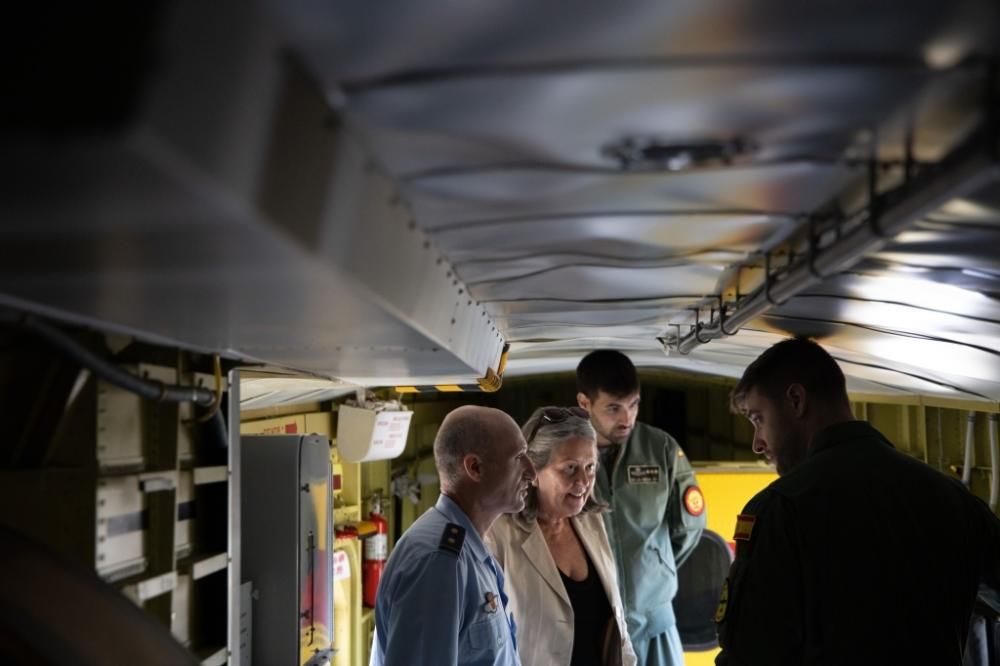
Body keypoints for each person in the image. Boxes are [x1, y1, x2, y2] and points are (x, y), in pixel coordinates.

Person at [716, 337, 1000, 665]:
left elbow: (750, 653)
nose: (757, 443)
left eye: (757, 419)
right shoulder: (951, 497)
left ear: (796, 400)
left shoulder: (781, 509)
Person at [369, 405, 537, 666]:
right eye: (518, 457)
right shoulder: (437, 562)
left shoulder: (470, 549)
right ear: (475, 467)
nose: (532, 473)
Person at [576, 350, 706, 665]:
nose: (627, 418)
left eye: (634, 405)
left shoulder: (659, 448)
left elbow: (688, 528)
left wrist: (653, 565)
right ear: (584, 403)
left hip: (656, 623)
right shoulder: (562, 455)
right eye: (613, 408)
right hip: (592, 623)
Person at [487, 406, 637, 666]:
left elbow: (617, 622)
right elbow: (485, 640)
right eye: (569, 468)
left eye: (590, 467)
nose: (583, 481)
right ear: (531, 472)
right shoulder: (498, 535)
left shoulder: (591, 522)